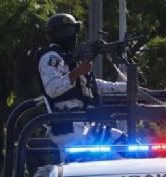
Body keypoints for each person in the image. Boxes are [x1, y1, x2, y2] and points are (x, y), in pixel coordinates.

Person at [38, 13, 127, 155]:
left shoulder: (69, 57)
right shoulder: (51, 57)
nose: (75, 37)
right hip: (69, 128)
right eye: (72, 32)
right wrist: (77, 71)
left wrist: (124, 88)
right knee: (83, 166)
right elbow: (52, 88)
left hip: (86, 124)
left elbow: (90, 84)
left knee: (125, 145)